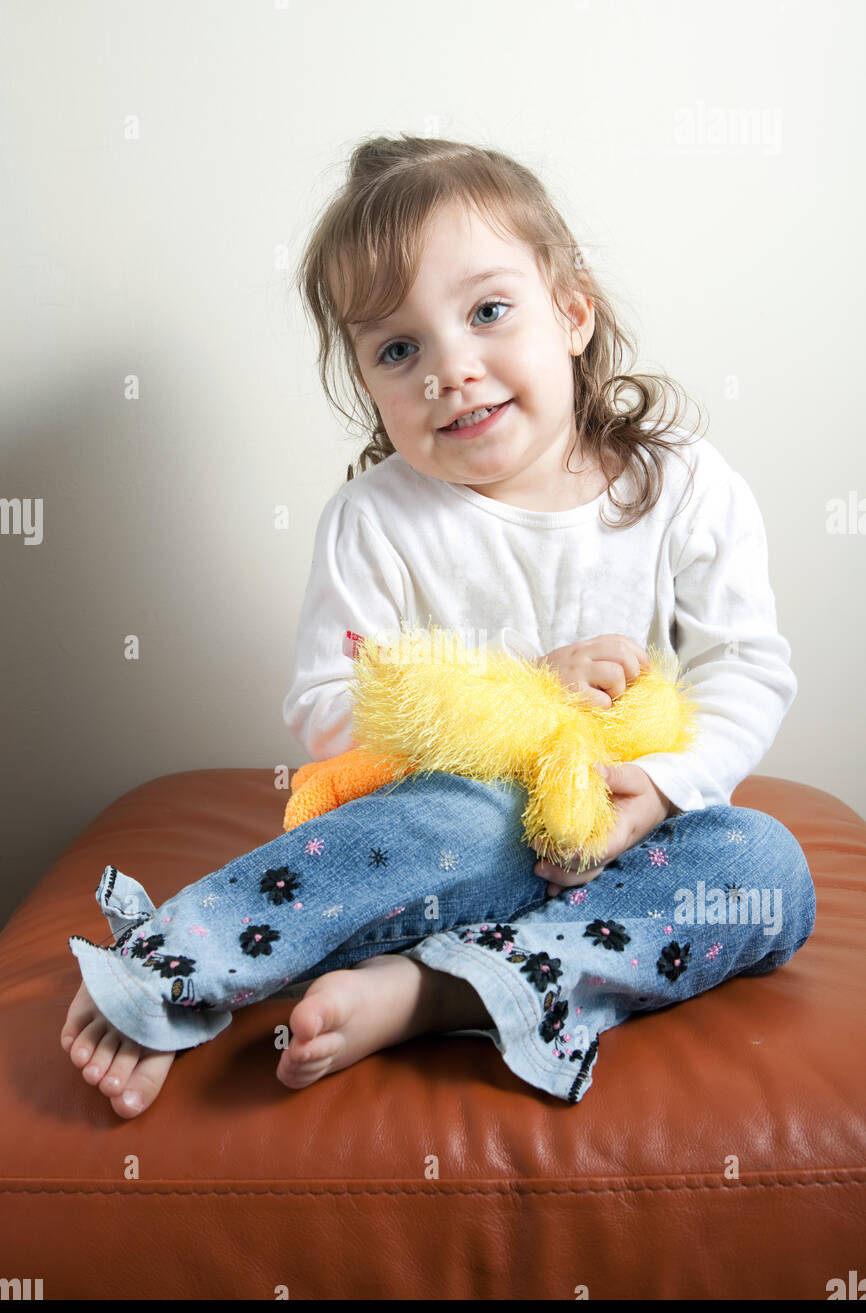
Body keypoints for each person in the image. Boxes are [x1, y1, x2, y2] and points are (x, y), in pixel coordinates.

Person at [61, 135, 816, 1119]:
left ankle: (441, 993)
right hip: (449, 856)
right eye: (398, 348)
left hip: (631, 851)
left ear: (572, 312)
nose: (449, 370)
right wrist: (523, 692)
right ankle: (176, 964)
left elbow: (743, 666)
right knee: (464, 817)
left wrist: (661, 793)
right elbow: (328, 711)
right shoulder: (373, 521)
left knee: (767, 870)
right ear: (367, 383)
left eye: (488, 311)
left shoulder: (681, 488)